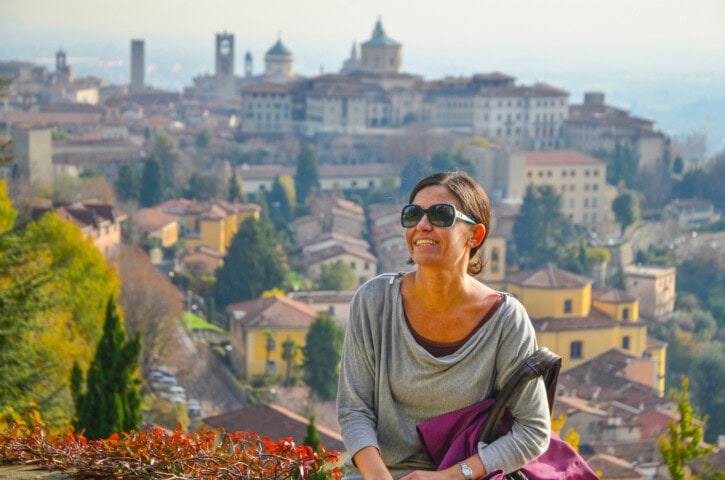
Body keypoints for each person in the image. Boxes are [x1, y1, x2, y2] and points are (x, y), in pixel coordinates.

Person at [337, 171, 550, 480]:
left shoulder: (505, 320)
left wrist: (450, 476)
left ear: (475, 236)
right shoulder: (374, 301)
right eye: (413, 214)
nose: (422, 225)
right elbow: (354, 410)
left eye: (440, 215)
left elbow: (533, 430)